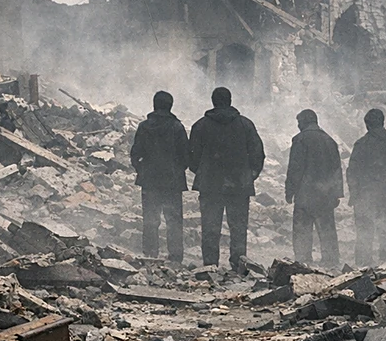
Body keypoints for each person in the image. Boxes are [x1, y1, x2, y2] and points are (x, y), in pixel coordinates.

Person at [188, 87, 265, 270]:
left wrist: (202, 172)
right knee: (238, 227)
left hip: (210, 184)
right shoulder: (245, 125)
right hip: (239, 184)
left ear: (213, 101)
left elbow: (191, 157)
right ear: (230, 101)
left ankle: (210, 264)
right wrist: (251, 175)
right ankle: (239, 263)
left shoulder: (200, 125)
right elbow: (258, 154)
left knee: (210, 226)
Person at [130, 91, 189, 262]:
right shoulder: (177, 127)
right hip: (173, 182)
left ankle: (150, 253)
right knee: (174, 220)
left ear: (154, 104)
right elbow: (185, 155)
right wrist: (177, 170)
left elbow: (135, 154)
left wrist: (142, 169)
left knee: (150, 218)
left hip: (149, 181)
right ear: (170, 106)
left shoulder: (144, 127)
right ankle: (176, 256)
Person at [346, 108, 386, 265]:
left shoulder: (361, 145)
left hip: (365, 197)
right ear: (382, 122)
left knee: (364, 233)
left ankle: (363, 267)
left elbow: (352, 172)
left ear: (367, 125)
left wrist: (354, 194)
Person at [284, 109, 343, 268]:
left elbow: (295, 168)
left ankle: (303, 262)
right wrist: (337, 193)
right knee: (327, 229)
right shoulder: (329, 140)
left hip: (305, 195)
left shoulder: (300, 140)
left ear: (304, 122)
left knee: (302, 230)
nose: (298, 126)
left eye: (299, 122)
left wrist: (289, 191)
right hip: (325, 194)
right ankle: (331, 261)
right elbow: (336, 168)